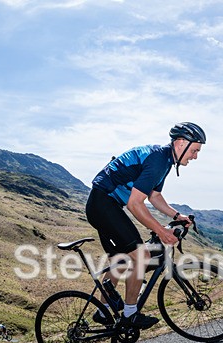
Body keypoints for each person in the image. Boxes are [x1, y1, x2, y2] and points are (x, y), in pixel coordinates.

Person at [85, 122, 204, 328]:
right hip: (103, 204)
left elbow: (155, 196)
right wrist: (161, 231)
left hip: (105, 204)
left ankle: (103, 312)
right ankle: (130, 315)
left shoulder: (165, 160)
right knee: (142, 257)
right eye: (194, 150)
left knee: (120, 261)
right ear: (180, 143)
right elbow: (134, 203)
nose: (195, 156)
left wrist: (177, 215)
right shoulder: (158, 160)